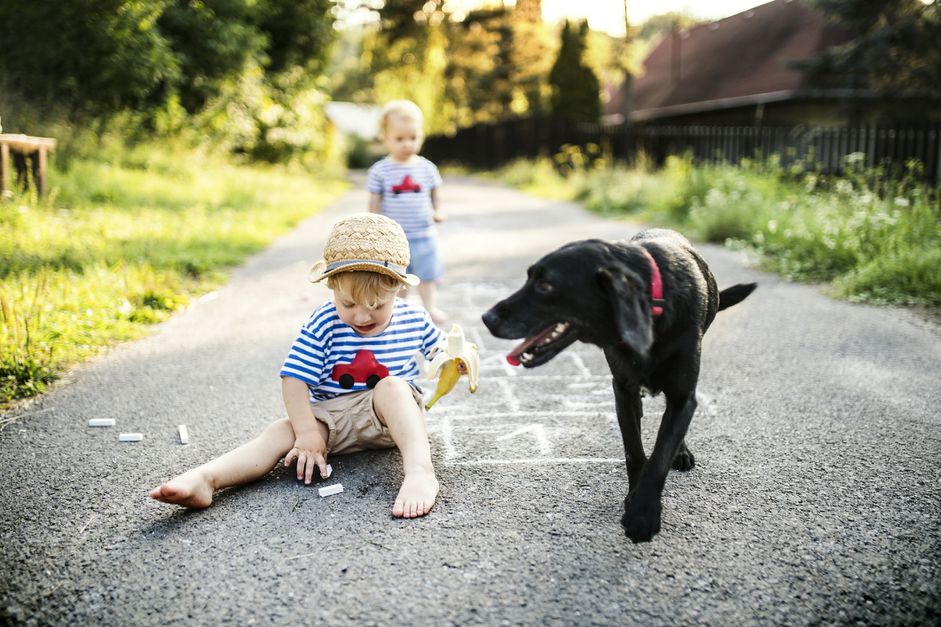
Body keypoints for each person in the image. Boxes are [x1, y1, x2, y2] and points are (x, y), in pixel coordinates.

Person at [150, 214, 448, 519]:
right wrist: (307, 433)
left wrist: (455, 362)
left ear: (397, 289)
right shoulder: (324, 322)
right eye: (348, 305)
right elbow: (294, 379)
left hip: (391, 416)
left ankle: (420, 473)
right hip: (334, 419)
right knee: (279, 432)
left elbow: (443, 351)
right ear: (332, 287)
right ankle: (207, 478)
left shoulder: (414, 317)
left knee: (393, 386)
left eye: (376, 306)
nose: (361, 317)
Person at [367, 99, 448, 324]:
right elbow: (374, 200)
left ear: (421, 136)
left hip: (424, 234)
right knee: (398, 278)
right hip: (394, 238)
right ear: (386, 138)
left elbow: (435, 193)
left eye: (413, 138)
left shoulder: (426, 168)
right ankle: (401, 311)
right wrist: (374, 224)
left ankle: (429, 308)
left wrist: (439, 210)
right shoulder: (380, 170)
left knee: (427, 276)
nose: (407, 144)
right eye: (399, 139)